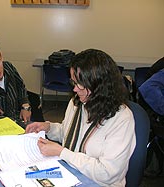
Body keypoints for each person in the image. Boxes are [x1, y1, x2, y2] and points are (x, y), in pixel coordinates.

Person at [26, 49, 136, 187]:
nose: (75, 89)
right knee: (25, 177)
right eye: (73, 82)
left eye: (80, 84)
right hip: (69, 173)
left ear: (99, 86)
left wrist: (62, 153)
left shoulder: (122, 119)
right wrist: (48, 127)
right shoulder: (78, 102)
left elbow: (107, 173)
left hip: (98, 183)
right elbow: (68, 133)